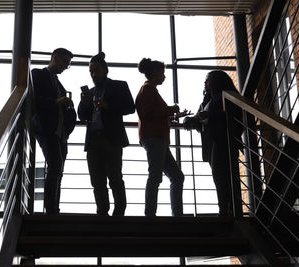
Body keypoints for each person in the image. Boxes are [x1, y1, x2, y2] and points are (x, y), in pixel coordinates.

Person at [78, 52, 135, 216]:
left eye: (96, 70)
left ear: (105, 70)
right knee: (97, 180)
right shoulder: (91, 92)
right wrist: (84, 103)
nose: (93, 74)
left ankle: (119, 212)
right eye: (91, 71)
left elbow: (130, 107)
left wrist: (107, 105)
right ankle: (102, 211)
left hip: (111, 138)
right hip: (94, 140)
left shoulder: (119, 86)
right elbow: (82, 116)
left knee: (114, 177)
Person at [183, 70, 242, 216]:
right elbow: (198, 117)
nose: (205, 83)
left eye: (207, 80)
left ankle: (228, 210)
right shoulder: (208, 100)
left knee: (224, 176)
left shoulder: (227, 95)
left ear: (216, 81)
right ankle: (226, 209)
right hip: (211, 142)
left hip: (223, 140)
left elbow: (234, 115)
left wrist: (211, 115)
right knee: (219, 176)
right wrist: (189, 120)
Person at [135, 58, 184, 217]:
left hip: (155, 137)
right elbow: (149, 113)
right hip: (155, 137)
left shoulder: (149, 89)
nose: (164, 76)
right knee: (158, 175)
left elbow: (151, 114)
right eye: (162, 72)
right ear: (155, 72)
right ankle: (152, 215)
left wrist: (171, 115)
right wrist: (172, 109)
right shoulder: (149, 89)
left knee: (175, 176)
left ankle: (172, 214)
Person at [31, 48, 76, 215]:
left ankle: (53, 208)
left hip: (60, 133)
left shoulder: (58, 83)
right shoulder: (38, 74)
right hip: (46, 129)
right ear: (55, 58)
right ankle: (51, 210)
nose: (65, 66)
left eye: (68, 64)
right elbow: (34, 99)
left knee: (59, 169)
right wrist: (58, 101)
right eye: (65, 62)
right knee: (56, 166)